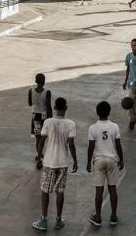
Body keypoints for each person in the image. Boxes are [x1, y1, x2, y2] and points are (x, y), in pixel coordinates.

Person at [34, 97, 78, 231]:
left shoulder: (48, 122)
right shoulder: (71, 124)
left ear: (54, 107)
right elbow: (71, 144)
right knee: (60, 192)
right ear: (66, 108)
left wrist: (39, 157)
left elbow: (42, 140)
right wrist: (75, 160)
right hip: (62, 162)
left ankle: (43, 220)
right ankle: (58, 220)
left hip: (49, 162)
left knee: (45, 191)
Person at [86, 101, 124, 227]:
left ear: (97, 113)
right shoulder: (115, 126)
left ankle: (98, 217)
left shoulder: (92, 128)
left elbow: (91, 147)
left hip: (98, 161)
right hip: (112, 160)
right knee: (112, 189)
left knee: (99, 191)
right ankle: (113, 216)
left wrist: (88, 162)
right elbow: (118, 145)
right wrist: (121, 159)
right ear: (109, 112)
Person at [28, 73, 53, 168]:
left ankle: (39, 154)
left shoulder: (31, 91)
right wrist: (50, 119)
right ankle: (39, 157)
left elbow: (30, 103)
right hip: (44, 117)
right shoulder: (47, 92)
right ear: (44, 81)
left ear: (35, 81)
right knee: (43, 137)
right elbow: (49, 107)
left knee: (38, 137)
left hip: (35, 116)